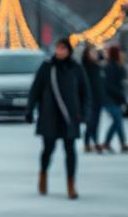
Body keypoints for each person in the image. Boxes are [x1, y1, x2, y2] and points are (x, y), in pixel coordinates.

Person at [26, 39, 88, 199]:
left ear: (69, 51)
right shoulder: (47, 68)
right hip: (49, 115)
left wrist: (85, 113)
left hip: (70, 116)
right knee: (48, 149)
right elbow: (35, 90)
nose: (59, 51)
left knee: (70, 151)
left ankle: (71, 185)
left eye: (63, 49)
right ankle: (43, 175)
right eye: (58, 48)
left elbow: (85, 93)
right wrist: (29, 110)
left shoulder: (76, 69)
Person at [101, 45, 128, 153]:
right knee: (117, 121)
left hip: (115, 98)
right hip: (110, 99)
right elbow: (110, 85)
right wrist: (121, 96)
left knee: (119, 121)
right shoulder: (110, 67)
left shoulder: (117, 66)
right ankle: (107, 143)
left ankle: (122, 143)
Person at [80, 45, 105, 154]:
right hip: (89, 99)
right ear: (86, 54)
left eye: (95, 53)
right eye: (92, 53)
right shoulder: (84, 67)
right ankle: (89, 143)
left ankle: (94, 142)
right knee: (91, 122)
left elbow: (100, 83)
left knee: (97, 122)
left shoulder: (97, 66)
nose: (94, 55)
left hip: (99, 98)